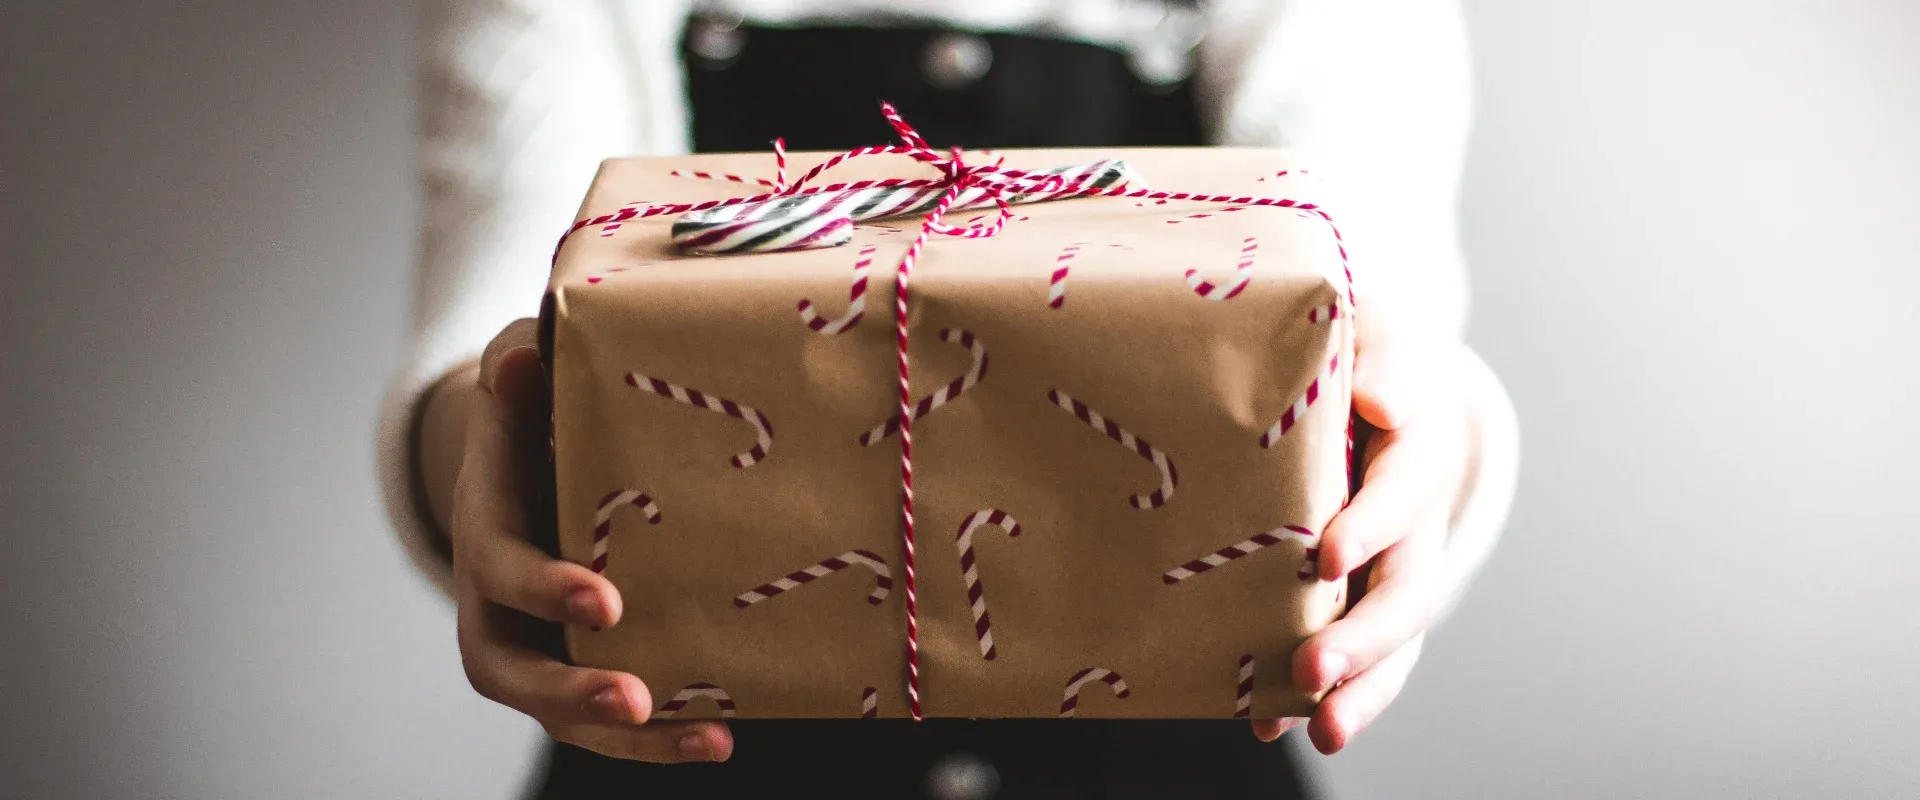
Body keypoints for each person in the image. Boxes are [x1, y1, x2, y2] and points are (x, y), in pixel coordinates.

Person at [377, 1, 1519, 797]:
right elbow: (504, 316)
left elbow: (1377, 310)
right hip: (680, 742)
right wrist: (486, 462)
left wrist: (1424, 452)